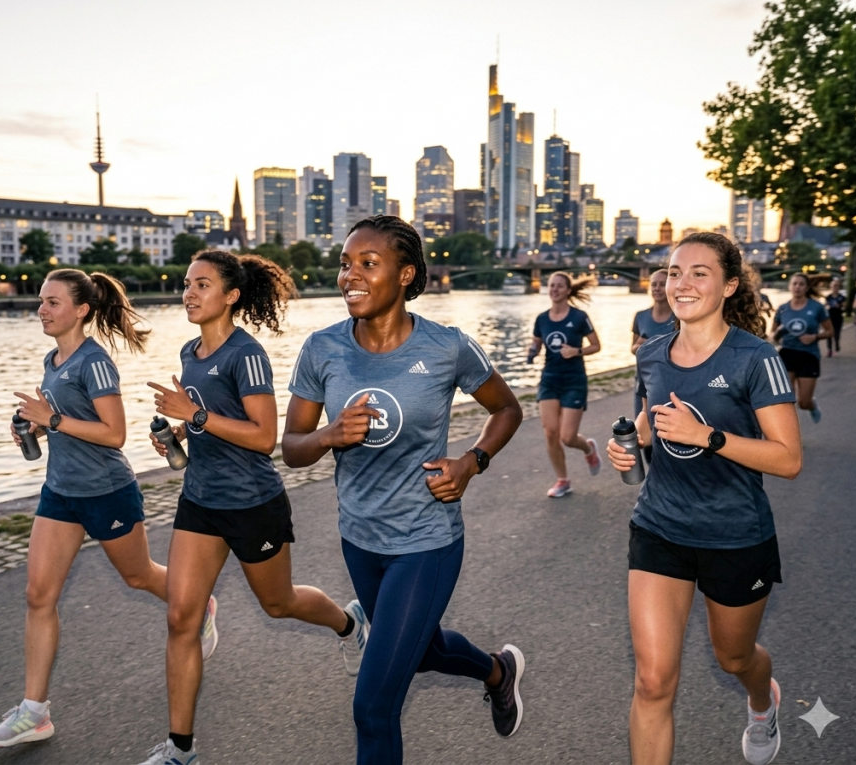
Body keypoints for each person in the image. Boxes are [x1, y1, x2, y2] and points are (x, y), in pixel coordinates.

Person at [283, 215, 525, 765]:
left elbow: (506, 409)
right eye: (345, 264)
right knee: (420, 652)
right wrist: (329, 433)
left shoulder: (447, 347)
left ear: (406, 274)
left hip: (426, 538)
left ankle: (495, 671)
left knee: (373, 706)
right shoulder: (322, 349)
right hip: (360, 538)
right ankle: (497, 670)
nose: (351, 275)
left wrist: (472, 461)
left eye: (368, 264)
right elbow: (292, 448)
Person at [136, 250, 369, 765]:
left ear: (231, 296)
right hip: (200, 499)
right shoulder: (190, 353)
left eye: (202, 285)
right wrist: (180, 431)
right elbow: (214, 421)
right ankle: (180, 750)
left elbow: (265, 437)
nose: (189, 293)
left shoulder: (247, 354)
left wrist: (193, 414)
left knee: (278, 603)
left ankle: (351, 626)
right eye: (187, 284)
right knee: (181, 618)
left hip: (251, 503)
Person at [0, 269, 217, 748]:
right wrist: (42, 429)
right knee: (38, 595)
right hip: (60, 492)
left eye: (53, 302)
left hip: (106, 490)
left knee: (139, 576)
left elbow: (114, 434)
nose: (42, 309)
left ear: (82, 309)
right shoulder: (54, 359)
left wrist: (53, 417)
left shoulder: (95, 362)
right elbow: (74, 423)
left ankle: (198, 602)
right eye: (41, 302)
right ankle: (34, 712)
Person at [606, 232, 802, 765]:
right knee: (651, 682)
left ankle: (763, 701)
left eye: (699, 273)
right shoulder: (651, 354)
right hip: (659, 528)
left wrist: (708, 437)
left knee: (734, 658)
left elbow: (788, 459)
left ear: (729, 285)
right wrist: (629, 446)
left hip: (735, 535)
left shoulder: (754, 359)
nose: (682, 284)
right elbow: (649, 423)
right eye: (674, 272)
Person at [526, 271, 603, 498]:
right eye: (552, 286)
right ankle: (563, 480)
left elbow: (596, 345)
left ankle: (588, 448)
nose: (555, 289)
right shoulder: (542, 319)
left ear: (568, 291)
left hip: (574, 379)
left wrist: (576, 351)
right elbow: (537, 344)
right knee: (550, 432)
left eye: (560, 286)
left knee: (567, 437)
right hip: (550, 378)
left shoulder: (579, 317)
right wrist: (531, 352)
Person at [771, 272, 832, 423]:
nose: (797, 287)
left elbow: (830, 331)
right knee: (785, 400)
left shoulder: (817, 307)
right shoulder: (783, 309)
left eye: (801, 284)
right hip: (787, 354)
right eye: (794, 284)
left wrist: (814, 337)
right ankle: (788, 435)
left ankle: (812, 406)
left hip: (808, 356)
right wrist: (777, 333)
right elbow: (772, 334)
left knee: (803, 402)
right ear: (790, 287)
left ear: (806, 287)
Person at [631, 269, 676, 462]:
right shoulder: (641, 316)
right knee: (645, 435)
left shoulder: (679, 317)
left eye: (661, 284)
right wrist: (640, 346)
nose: (657, 288)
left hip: (673, 383)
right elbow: (634, 348)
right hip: (644, 385)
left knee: (670, 435)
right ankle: (653, 480)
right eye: (654, 284)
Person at [824, 278, 845, 356]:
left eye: (836, 286)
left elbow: (845, 307)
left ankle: (836, 343)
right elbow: (825, 306)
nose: (835, 287)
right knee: (829, 333)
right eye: (833, 286)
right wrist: (827, 306)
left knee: (837, 333)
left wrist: (840, 306)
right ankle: (829, 350)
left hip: (838, 316)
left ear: (839, 287)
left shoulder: (841, 297)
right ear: (831, 287)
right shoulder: (828, 297)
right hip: (830, 317)